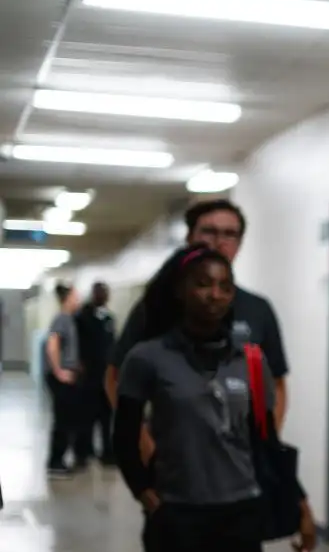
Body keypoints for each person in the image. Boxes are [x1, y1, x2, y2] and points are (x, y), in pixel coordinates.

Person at [113, 246, 316, 552]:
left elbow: (266, 443)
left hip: (239, 516)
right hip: (178, 514)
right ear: (181, 291)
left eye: (225, 286)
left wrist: (299, 503)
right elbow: (123, 434)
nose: (214, 294)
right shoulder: (148, 358)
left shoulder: (252, 361)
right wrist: (144, 493)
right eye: (203, 284)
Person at [106, 199, 291, 466]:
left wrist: (265, 446)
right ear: (190, 237)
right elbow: (115, 377)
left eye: (230, 234)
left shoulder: (257, 309)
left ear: (239, 244)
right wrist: (146, 446)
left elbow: (276, 384)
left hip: (242, 470)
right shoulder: (157, 306)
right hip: (176, 467)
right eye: (209, 231)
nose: (219, 242)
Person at [75, 281, 118, 466]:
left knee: (106, 418)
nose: (103, 296)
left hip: (106, 374)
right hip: (88, 375)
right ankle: (83, 453)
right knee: (86, 417)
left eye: (105, 293)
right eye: (100, 293)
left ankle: (107, 453)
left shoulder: (109, 318)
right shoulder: (82, 317)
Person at [44, 282, 84, 478]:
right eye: (76, 296)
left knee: (67, 420)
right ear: (67, 298)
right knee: (62, 421)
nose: (79, 300)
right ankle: (55, 462)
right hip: (62, 377)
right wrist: (59, 371)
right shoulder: (61, 318)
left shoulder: (69, 319)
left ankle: (59, 460)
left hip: (69, 375)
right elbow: (52, 345)